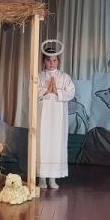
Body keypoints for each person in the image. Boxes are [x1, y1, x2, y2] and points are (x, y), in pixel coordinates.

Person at [36, 46, 75, 189]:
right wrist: (46, 90)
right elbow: (31, 92)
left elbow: (71, 93)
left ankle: (52, 178)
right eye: (48, 60)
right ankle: (41, 178)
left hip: (58, 116)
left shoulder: (64, 77)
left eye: (54, 60)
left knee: (56, 143)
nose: (51, 63)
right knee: (42, 142)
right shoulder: (38, 76)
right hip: (43, 115)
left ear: (58, 61)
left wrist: (57, 91)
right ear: (43, 61)